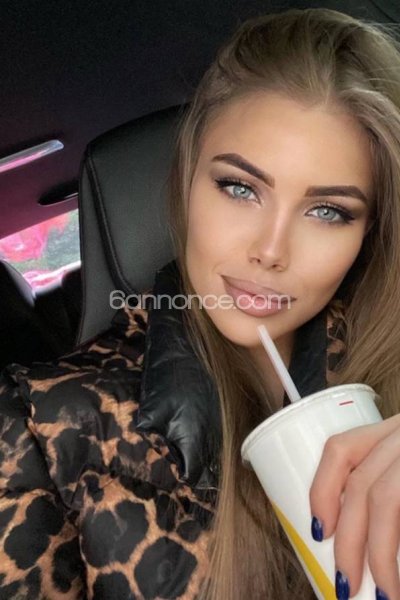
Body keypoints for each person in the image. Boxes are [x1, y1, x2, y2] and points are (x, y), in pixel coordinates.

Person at [1, 6, 400, 600]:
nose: (270, 251)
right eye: (240, 188)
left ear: (368, 232)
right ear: (188, 178)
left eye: (327, 211)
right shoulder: (41, 428)